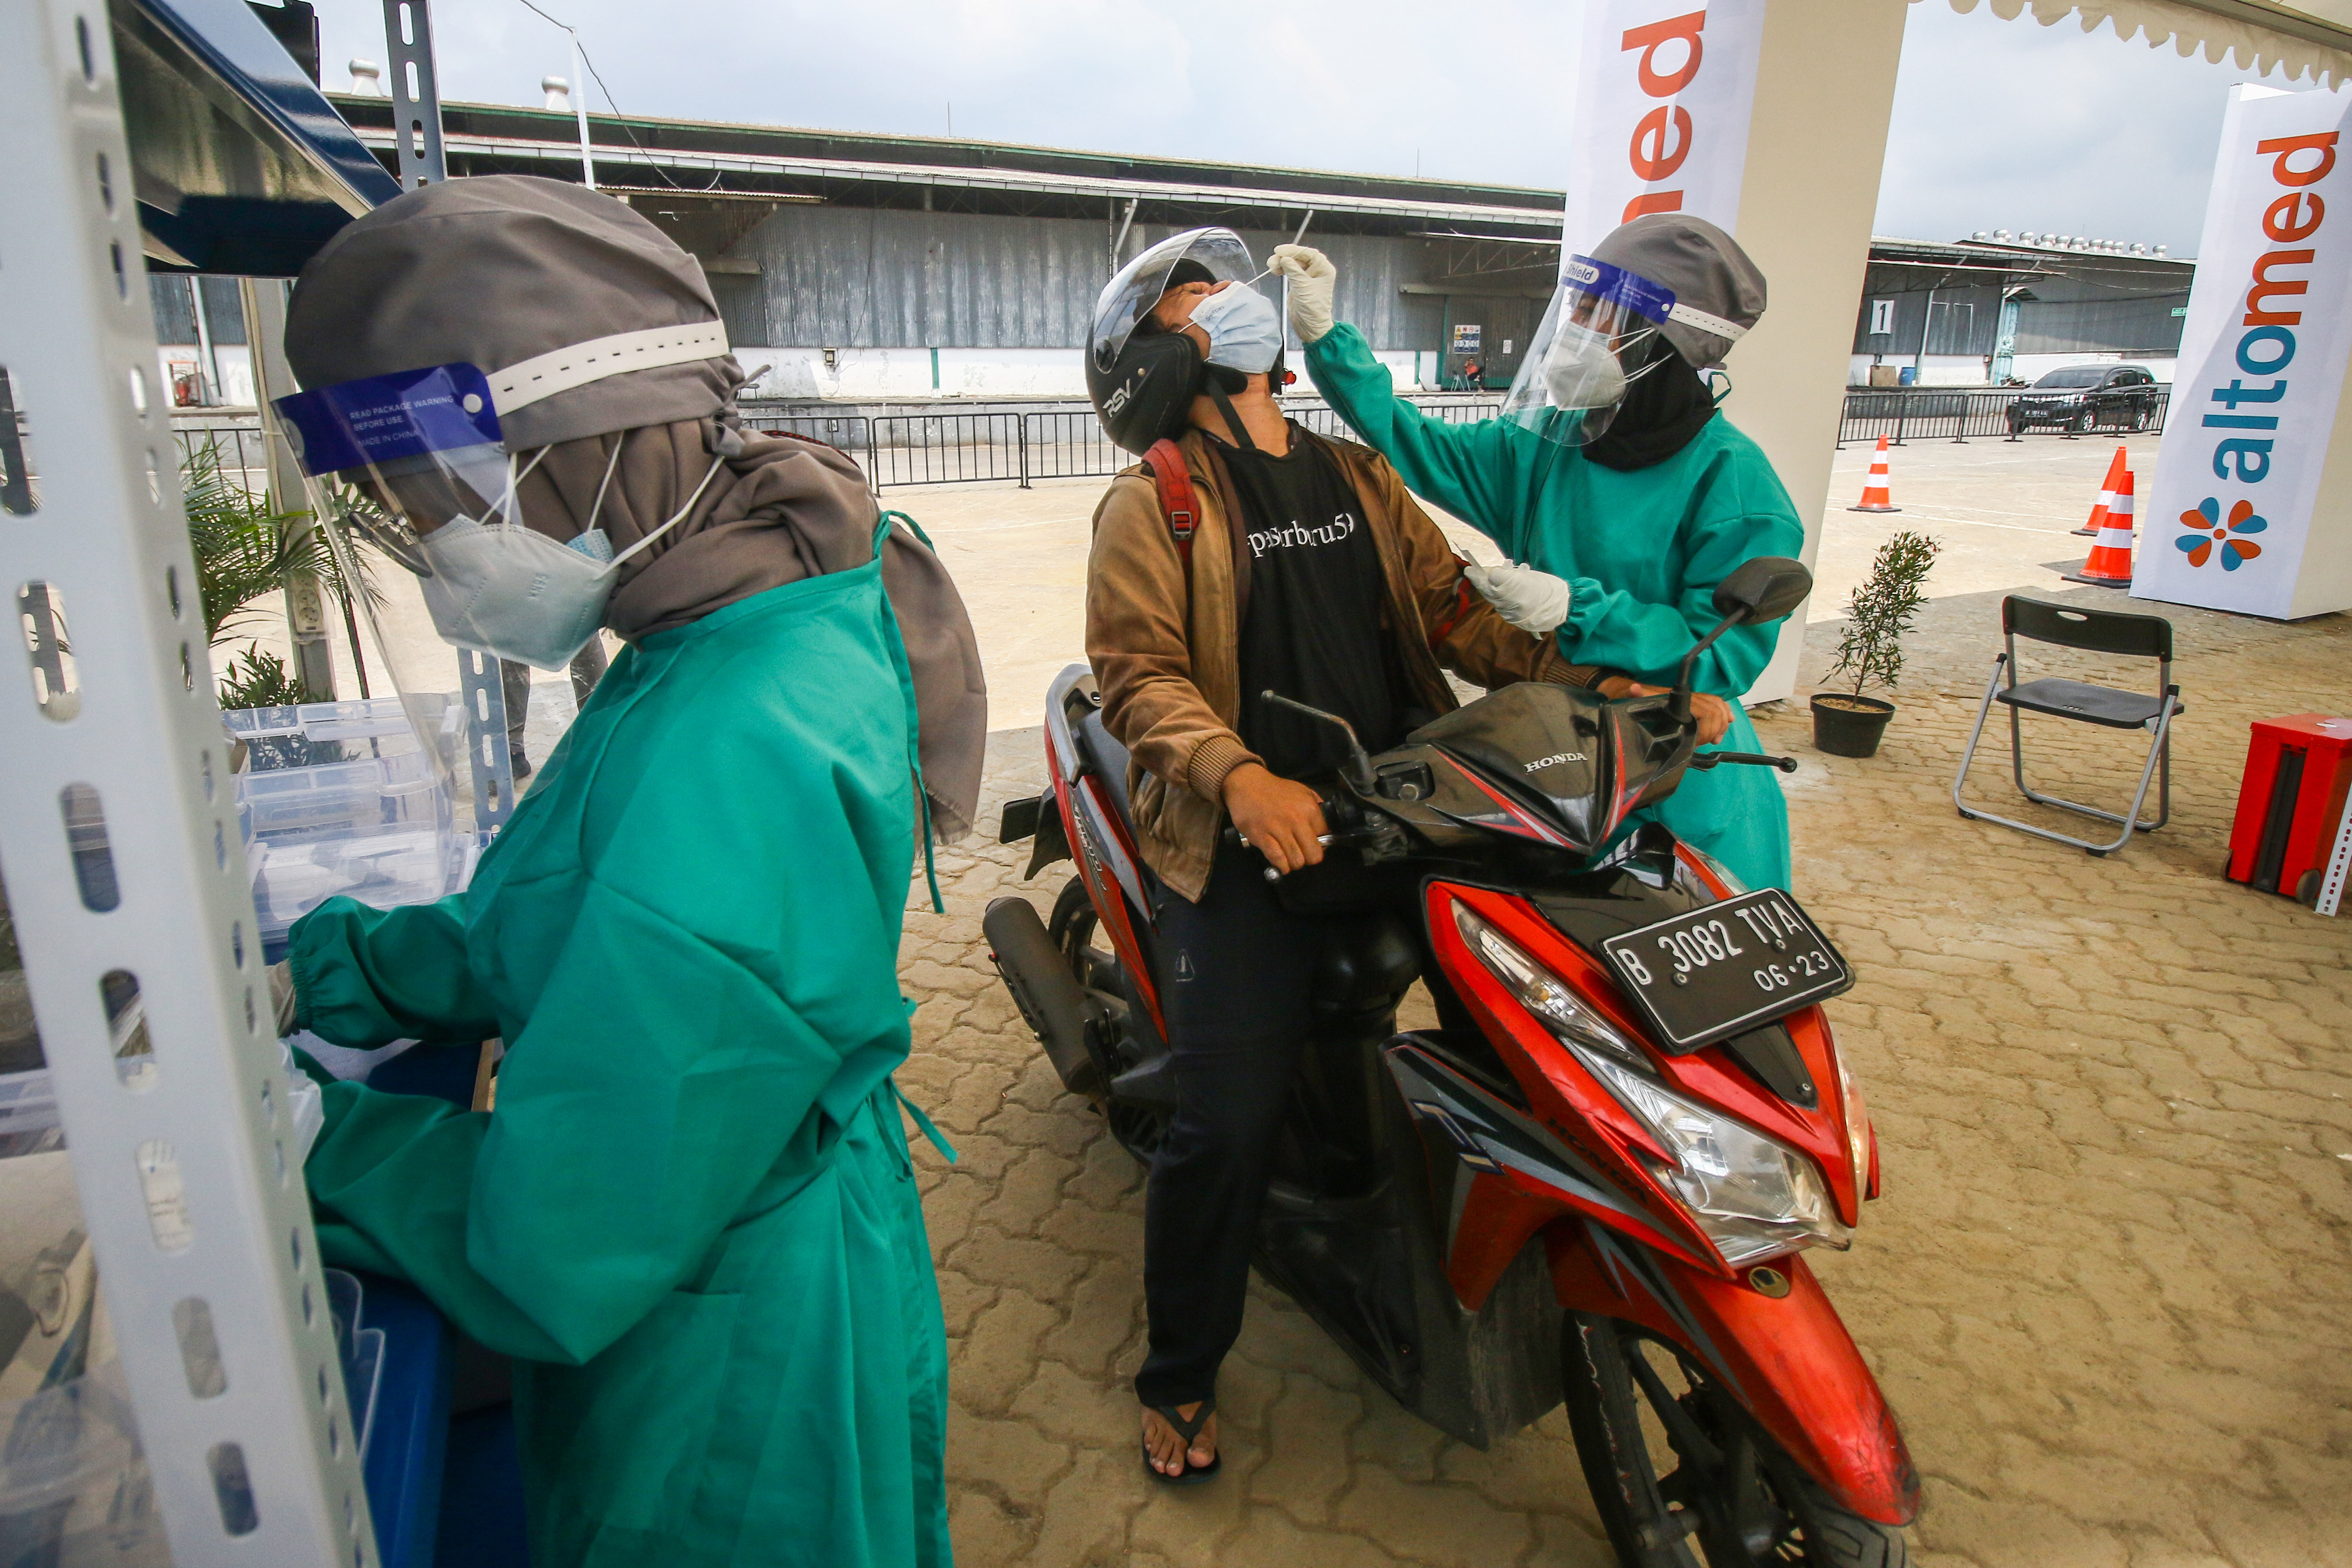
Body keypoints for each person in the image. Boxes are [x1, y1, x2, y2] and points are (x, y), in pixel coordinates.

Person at [265, 175, 987, 1568]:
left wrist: (304, 1142)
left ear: (577, 452)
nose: (437, 552)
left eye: (440, 504)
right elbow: (555, 909)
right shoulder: (719, 619)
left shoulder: (737, 734)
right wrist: (336, 971)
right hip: (724, 1240)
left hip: (721, 1350)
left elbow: (561, 1238)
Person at [1082, 229, 1603, 1483]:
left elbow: (1458, 615)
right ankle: (1182, 1372)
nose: (1245, 309)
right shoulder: (1155, 498)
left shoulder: (1359, 476)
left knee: (1540, 1022)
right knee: (1224, 1123)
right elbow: (1137, 675)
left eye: (1234, 291)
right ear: (1164, 356)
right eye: (1204, 300)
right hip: (1249, 846)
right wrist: (1241, 776)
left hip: (1400, 813)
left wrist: (1600, 673)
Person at [1272, 214, 1795, 891]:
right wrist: (1327, 339)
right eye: (1572, 306)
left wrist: (1578, 607)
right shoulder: (1552, 443)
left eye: (1593, 312)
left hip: (1673, 769)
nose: (1572, 327)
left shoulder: (1736, 485)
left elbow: (1722, 656)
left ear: (1661, 340)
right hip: (1552, 750)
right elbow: (1419, 444)